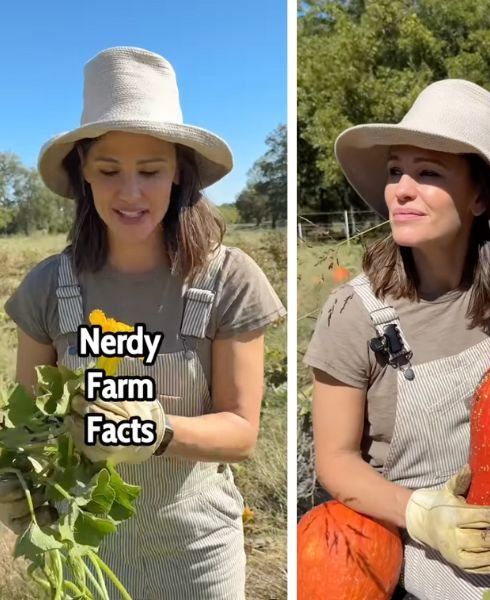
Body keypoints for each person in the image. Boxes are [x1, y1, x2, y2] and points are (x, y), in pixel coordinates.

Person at [0, 47, 285, 598]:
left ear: (179, 173)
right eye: (108, 171)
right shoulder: (47, 287)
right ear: (83, 173)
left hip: (198, 552)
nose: (130, 192)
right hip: (86, 556)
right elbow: (31, 424)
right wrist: (19, 488)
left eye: (150, 171)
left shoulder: (228, 281)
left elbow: (242, 432)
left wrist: (157, 432)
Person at [304, 79, 490, 599]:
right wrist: (424, 516)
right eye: (395, 171)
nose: (401, 189)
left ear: (479, 196)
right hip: (420, 536)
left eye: (428, 173)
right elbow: (335, 460)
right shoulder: (354, 313)